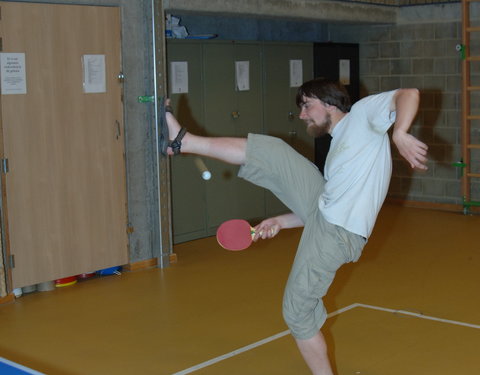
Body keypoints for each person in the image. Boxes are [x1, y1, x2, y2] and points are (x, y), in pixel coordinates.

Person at [164, 78, 428, 375]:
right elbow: (326, 204)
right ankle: (184, 141)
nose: (302, 115)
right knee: (273, 152)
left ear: (330, 103)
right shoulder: (340, 144)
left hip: (336, 235)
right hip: (324, 217)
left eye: (307, 105)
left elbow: (408, 94)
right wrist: (281, 220)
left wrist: (401, 133)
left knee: (297, 311)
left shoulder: (364, 114)